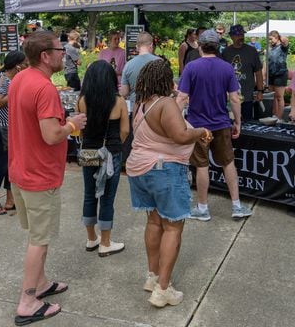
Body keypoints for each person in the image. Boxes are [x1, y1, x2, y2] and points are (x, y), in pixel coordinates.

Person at [8, 30, 87, 325]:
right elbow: (52, 134)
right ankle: (28, 300)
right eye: (59, 49)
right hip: (39, 175)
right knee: (39, 241)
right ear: (45, 55)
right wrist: (72, 124)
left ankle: (40, 284)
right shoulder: (44, 88)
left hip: (21, 170)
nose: (63, 54)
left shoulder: (19, 79)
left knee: (36, 236)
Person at [127, 59, 212, 307]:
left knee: (153, 222)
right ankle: (163, 289)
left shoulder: (142, 104)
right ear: (166, 80)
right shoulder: (166, 104)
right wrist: (201, 132)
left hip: (139, 169)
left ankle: (153, 277)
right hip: (164, 169)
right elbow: (180, 135)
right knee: (173, 227)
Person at [176, 29, 253, 221]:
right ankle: (236, 206)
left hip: (197, 126)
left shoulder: (191, 68)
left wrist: (176, 121)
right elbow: (235, 99)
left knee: (202, 166)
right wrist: (238, 121)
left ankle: (202, 208)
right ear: (218, 47)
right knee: (228, 163)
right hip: (221, 123)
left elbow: (182, 98)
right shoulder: (227, 68)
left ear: (200, 46)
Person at [77, 60, 129, 256]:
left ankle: (91, 239)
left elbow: (80, 130)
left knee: (89, 194)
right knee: (107, 198)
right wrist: (115, 146)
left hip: (89, 151)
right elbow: (125, 130)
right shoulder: (119, 101)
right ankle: (106, 242)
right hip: (110, 152)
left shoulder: (82, 100)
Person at [0, 51, 27, 215]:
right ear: (17, 65)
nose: (26, 67)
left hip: (12, 127)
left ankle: (11, 200)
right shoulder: (0, 78)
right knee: (1, 166)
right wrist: (15, 91)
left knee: (11, 165)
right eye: (24, 64)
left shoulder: (16, 79)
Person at [221, 24, 264, 121]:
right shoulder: (226, 52)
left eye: (242, 35)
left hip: (247, 95)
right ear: (231, 36)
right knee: (230, 122)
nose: (241, 37)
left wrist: (260, 91)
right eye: (237, 35)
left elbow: (258, 72)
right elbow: (221, 74)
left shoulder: (251, 51)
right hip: (230, 95)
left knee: (247, 122)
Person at [120, 32, 158, 105]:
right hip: (156, 107)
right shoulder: (160, 62)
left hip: (136, 106)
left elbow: (124, 92)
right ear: (151, 45)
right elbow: (169, 87)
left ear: (137, 47)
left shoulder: (128, 65)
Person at [266, 30, 289, 119]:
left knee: (279, 96)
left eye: (271, 39)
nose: (269, 41)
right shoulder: (271, 48)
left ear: (276, 38)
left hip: (280, 74)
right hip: (271, 74)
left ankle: (279, 117)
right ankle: (274, 114)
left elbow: (285, 41)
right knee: (273, 96)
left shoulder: (283, 47)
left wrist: (281, 37)